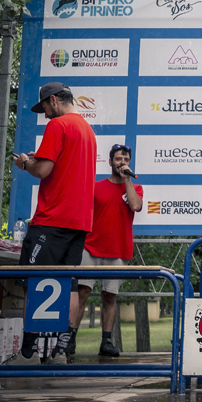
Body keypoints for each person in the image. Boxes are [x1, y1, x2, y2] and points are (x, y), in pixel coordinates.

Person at [5, 81, 97, 366]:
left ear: (54, 100)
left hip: (53, 219)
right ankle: (60, 352)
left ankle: (28, 353)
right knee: (69, 285)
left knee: (33, 281)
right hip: (79, 221)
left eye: (44, 107)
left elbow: (44, 170)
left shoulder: (58, 125)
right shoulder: (88, 130)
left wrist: (25, 163)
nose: (44, 114)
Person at [71, 143, 143, 357]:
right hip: (91, 247)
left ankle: (106, 341)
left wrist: (127, 179)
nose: (123, 163)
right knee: (82, 292)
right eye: (119, 159)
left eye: (126, 160)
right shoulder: (95, 186)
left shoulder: (135, 187)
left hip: (118, 250)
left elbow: (136, 206)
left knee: (109, 297)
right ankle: (69, 338)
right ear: (110, 162)